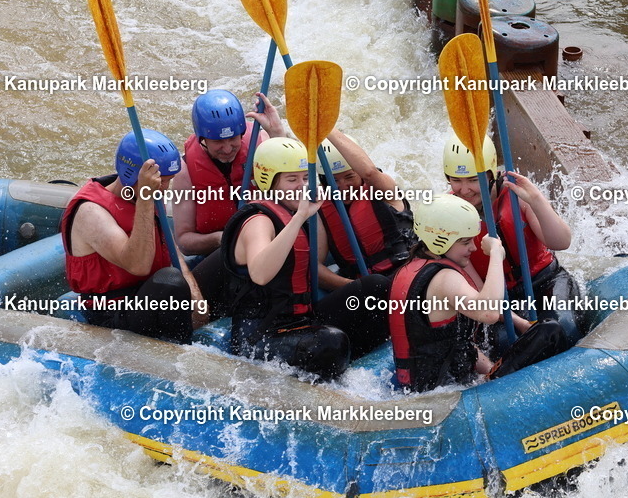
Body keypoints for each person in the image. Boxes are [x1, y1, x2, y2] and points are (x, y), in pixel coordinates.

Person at [221, 137, 391, 380]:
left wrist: (303, 214)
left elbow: (316, 258)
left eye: (304, 178)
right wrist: (299, 218)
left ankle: (353, 367)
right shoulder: (258, 221)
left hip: (300, 319)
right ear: (268, 182)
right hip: (260, 336)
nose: (301, 186)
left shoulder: (292, 211)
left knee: (376, 288)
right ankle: (337, 368)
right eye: (292, 180)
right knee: (329, 343)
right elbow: (260, 273)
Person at [389, 194, 567, 392]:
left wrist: (492, 369)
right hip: (442, 392)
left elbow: (456, 343)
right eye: (465, 242)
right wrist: (496, 256)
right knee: (549, 332)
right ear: (439, 240)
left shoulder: (412, 267)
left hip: (424, 384)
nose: (473, 248)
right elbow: (488, 313)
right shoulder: (444, 279)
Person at [60, 130, 207, 343]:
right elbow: (138, 265)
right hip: (115, 312)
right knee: (169, 283)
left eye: (168, 181)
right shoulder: (91, 212)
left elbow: (170, 250)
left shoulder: (146, 192)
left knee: (224, 256)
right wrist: (146, 199)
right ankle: (182, 352)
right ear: (133, 175)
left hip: (153, 297)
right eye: (161, 182)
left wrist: (196, 299)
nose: (165, 188)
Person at [443, 131, 582, 346]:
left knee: (565, 328)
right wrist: (518, 322)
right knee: (505, 342)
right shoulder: (449, 214)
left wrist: (536, 200)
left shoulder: (517, 193)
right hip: (500, 296)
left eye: (473, 180)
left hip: (545, 280)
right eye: (456, 180)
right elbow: (480, 291)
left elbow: (561, 242)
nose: (464, 190)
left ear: (491, 175)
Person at [172, 90, 280, 318]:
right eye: (218, 142)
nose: (228, 148)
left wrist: (278, 132)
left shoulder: (262, 143)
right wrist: (225, 238)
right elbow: (184, 240)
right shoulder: (184, 172)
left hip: (267, 247)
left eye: (233, 138)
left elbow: (297, 186)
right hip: (219, 256)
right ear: (202, 138)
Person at [315, 131, 418, 280]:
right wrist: (353, 286)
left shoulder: (382, 189)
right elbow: (316, 267)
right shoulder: (321, 206)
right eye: (333, 180)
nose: (343, 186)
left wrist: (327, 127)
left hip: (405, 273)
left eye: (349, 177)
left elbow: (370, 172)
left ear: (359, 174)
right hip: (360, 284)